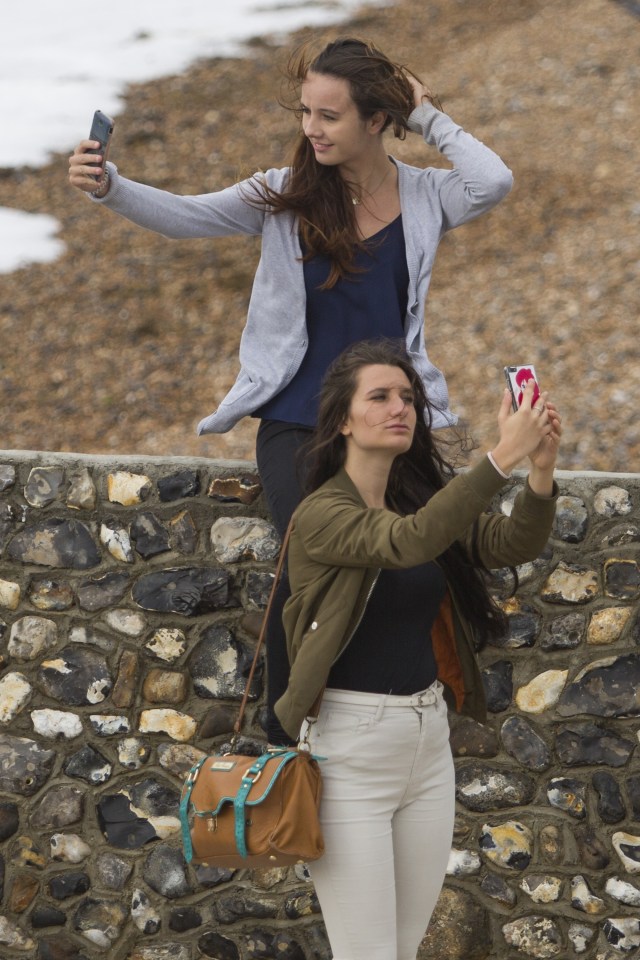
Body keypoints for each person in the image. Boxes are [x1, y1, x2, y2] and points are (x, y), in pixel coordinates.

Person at [68, 35, 514, 743]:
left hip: (391, 416)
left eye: (330, 115)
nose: (311, 128)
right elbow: (188, 216)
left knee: (433, 551)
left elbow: (494, 180)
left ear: (375, 120)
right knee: (305, 560)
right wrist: (111, 187)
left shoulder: (426, 195)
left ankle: (436, 697)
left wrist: (428, 116)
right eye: (306, 111)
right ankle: (285, 727)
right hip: (298, 419)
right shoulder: (284, 195)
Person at [274, 338, 561, 960]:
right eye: (379, 397)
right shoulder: (321, 513)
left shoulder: (417, 500)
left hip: (427, 743)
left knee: (402, 950)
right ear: (344, 420)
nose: (399, 407)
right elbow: (406, 543)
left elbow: (511, 543)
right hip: (350, 752)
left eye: (407, 396)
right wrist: (501, 454)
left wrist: (538, 468)